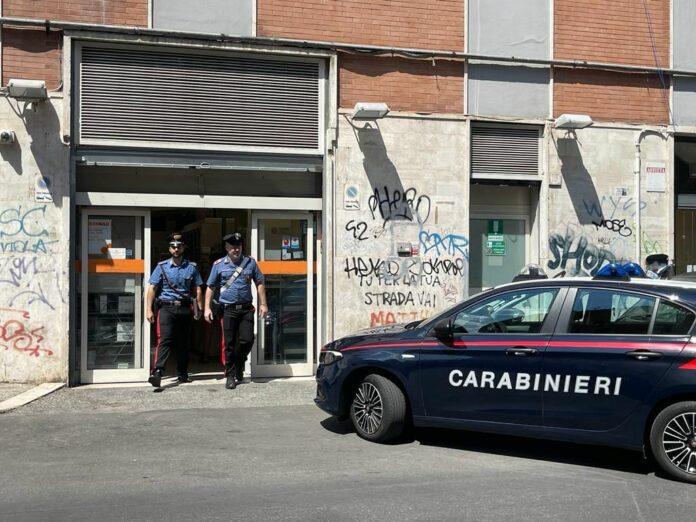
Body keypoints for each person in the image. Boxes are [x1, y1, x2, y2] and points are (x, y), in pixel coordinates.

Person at [204, 232, 268, 389]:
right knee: (229, 344)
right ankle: (231, 374)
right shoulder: (218, 265)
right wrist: (206, 308)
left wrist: (263, 303)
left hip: (246, 309)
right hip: (228, 310)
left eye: (238, 246)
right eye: (232, 247)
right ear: (227, 248)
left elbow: (259, 282)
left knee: (247, 340)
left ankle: (239, 363)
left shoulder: (250, 263)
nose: (236, 249)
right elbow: (211, 287)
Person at [145, 232, 204, 387]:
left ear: (184, 248)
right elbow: (152, 288)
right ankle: (158, 372)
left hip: (184, 308)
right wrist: (148, 309)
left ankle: (182, 373)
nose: (176, 249)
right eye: (173, 246)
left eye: (179, 246)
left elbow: (198, 288)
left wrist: (199, 307)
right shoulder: (161, 267)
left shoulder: (191, 267)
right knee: (165, 340)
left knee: (183, 342)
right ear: (169, 249)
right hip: (166, 308)